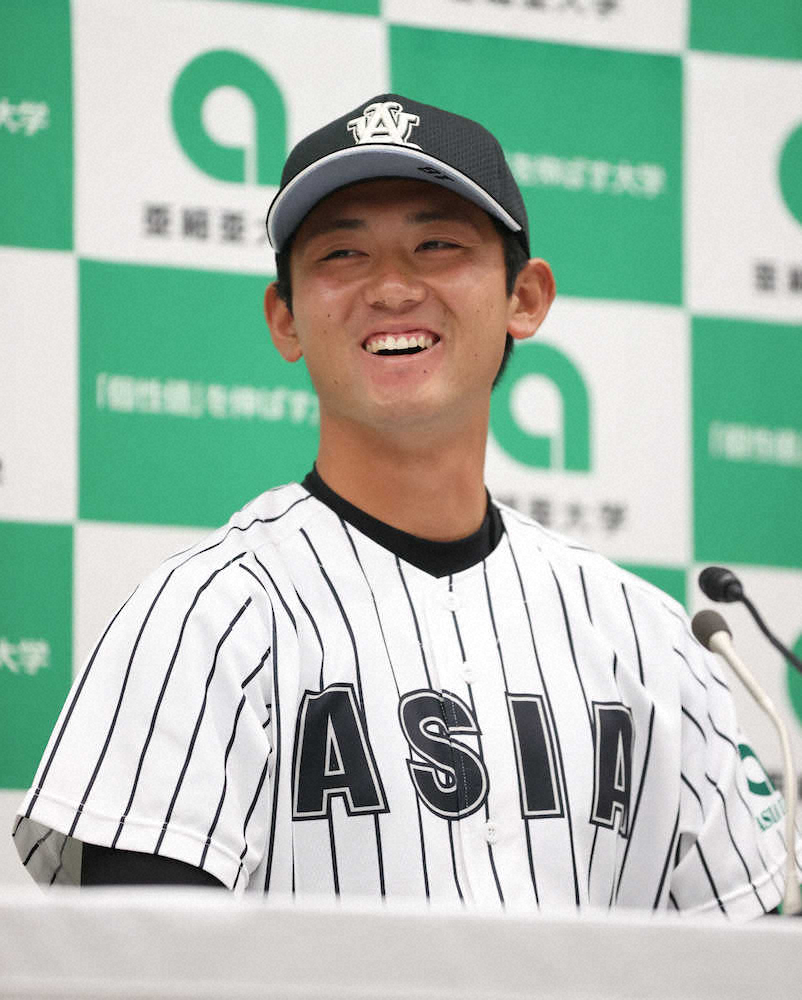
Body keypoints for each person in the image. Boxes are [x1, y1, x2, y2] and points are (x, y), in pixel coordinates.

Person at [13, 94, 798, 917]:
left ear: (525, 297)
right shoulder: (205, 619)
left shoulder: (647, 639)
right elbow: (140, 966)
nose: (391, 289)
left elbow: (752, 954)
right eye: (343, 253)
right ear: (285, 319)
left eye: (437, 245)